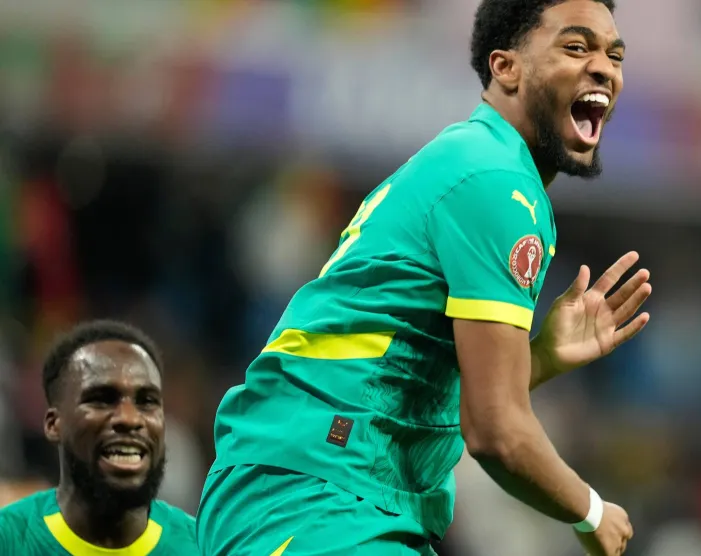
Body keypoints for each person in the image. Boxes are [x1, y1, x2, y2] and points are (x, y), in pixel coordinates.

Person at [197, 0, 646, 555]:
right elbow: (496, 433)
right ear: (504, 67)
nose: (603, 67)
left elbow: (431, 392)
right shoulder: (495, 181)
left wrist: (544, 356)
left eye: (614, 55)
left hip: (342, 494)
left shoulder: (480, 165)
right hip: (315, 494)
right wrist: (589, 510)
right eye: (576, 48)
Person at [0, 320, 198, 555]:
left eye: (147, 401)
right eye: (102, 399)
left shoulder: (203, 547)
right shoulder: (9, 540)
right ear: (54, 424)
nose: (129, 418)